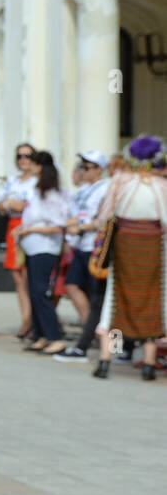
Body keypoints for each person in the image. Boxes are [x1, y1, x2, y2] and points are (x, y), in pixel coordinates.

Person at [91, 136, 167, 381]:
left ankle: (105, 361)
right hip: (154, 247)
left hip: (124, 246)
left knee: (116, 302)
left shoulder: (120, 181)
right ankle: (148, 364)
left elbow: (105, 217)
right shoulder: (162, 186)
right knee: (153, 302)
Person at [53, 151, 111, 363]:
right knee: (75, 287)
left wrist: (81, 227)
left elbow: (105, 221)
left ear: (99, 169)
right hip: (83, 247)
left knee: (106, 303)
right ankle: (89, 341)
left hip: (99, 249)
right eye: (81, 166)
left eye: (87, 167)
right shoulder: (84, 190)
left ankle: (115, 350)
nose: (82, 171)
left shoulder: (107, 189)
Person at [15, 151, 70, 354]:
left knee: (41, 292)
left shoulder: (52, 194)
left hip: (45, 247)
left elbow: (58, 225)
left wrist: (31, 229)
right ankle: (40, 334)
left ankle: (55, 336)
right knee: (34, 292)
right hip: (33, 246)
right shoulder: (36, 190)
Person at [0, 142, 39, 338]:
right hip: (13, 226)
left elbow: (34, 206)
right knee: (17, 276)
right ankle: (26, 318)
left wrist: (19, 205)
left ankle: (32, 320)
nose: (23, 160)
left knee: (30, 275)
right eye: (20, 156)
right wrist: (8, 205)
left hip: (30, 227)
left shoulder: (38, 181)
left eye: (27, 156)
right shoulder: (12, 181)